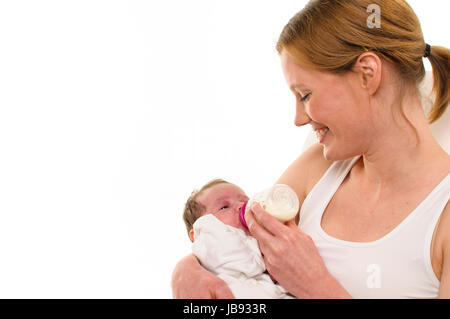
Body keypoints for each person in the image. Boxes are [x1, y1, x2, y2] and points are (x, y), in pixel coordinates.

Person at [172, 0, 450, 298]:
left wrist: (317, 286)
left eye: (305, 94)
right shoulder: (318, 167)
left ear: (367, 74)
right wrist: (186, 271)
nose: (298, 119)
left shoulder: (441, 217)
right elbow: (236, 243)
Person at [183, 178, 294, 299]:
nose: (242, 206)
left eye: (246, 201)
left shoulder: (258, 239)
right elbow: (245, 263)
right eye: (224, 207)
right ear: (197, 234)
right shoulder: (211, 238)